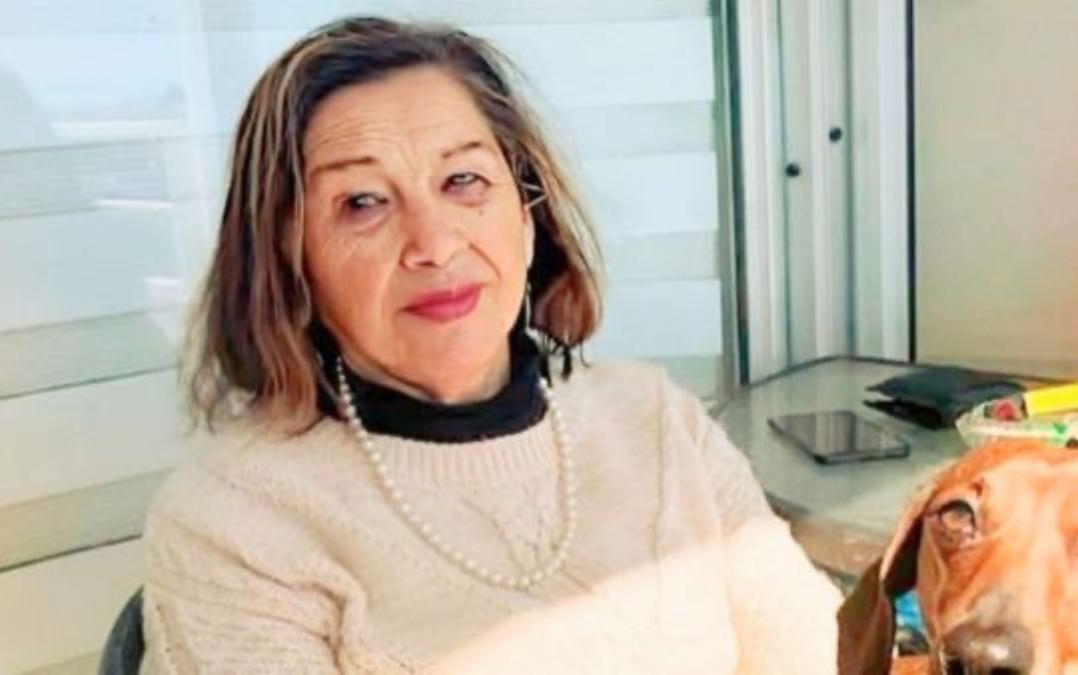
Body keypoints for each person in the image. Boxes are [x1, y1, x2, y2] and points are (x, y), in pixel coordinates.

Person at [140, 16, 840, 674]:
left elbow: (812, 649)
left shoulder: (657, 421)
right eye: (362, 202)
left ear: (527, 216)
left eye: (464, 181)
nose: (435, 244)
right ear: (289, 260)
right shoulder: (232, 522)